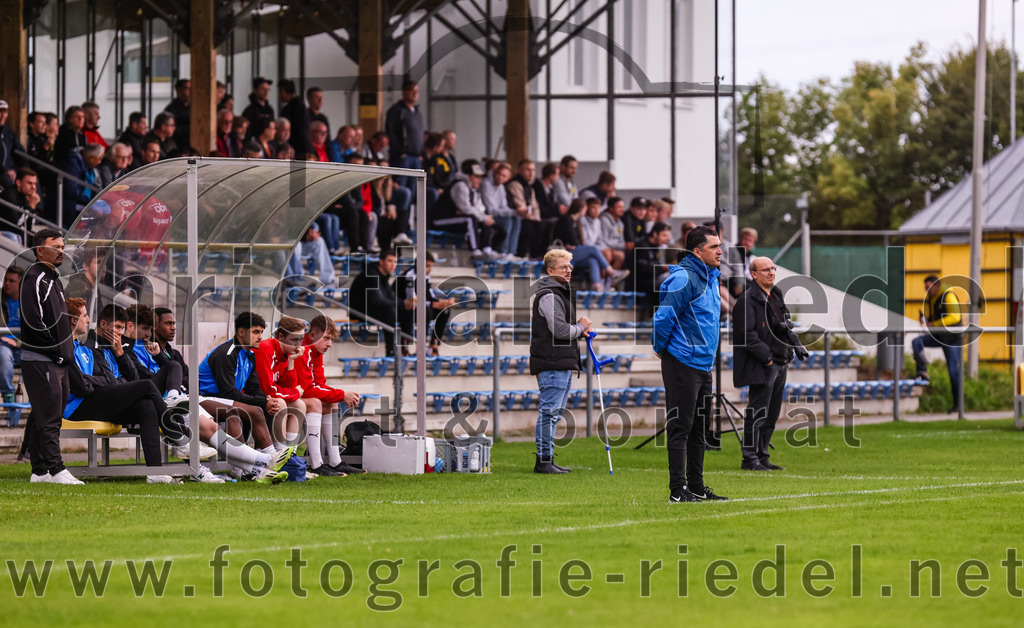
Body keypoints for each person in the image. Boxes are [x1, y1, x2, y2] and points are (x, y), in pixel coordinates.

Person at [653, 225, 728, 503]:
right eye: (713, 247)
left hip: (703, 364)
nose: (720, 251)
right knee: (681, 427)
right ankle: (677, 490)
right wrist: (661, 349)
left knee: (700, 429)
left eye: (720, 245)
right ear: (697, 251)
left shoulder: (711, 278)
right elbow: (663, 318)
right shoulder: (684, 278)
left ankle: (696, 487)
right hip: (682, 362)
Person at [733, 257, 809, 471]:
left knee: (772, 413)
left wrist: (796, 345)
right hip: (763, 364)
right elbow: (746, 335)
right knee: (756, 412)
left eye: (773, 269)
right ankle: (749, 458)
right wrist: (766, 357)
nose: (771, 272)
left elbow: (784, 325)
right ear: (754, 274)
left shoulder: (776, 294)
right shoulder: (746, 300)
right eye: (766, 270)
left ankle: (762, 456)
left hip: (781, 361)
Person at [20, 230, 81, 484]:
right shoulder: (34, 277)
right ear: (39, 250)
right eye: (55, 246)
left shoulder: (53, 278)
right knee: (49, 418)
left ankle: (40, 471)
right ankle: (57, 470)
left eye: (63, 246)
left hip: (57, 360)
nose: (61, 251)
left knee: (43, 415)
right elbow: (34, 322)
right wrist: (55, 352)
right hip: (42, 359)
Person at [197, 311, 290, 467]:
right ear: (241, 332)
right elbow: (228, 392)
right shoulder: (226, 354)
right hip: (204, 399)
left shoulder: (249, 354)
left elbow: (253, 388)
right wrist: (261, 402)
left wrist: (267, 400)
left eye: (261, 332)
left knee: (265, 407)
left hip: (222, 398)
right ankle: (264, 460)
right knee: (255, 410)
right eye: (255, 332)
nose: (260, 336)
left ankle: (266, 459)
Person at [530, 249, 591, 474]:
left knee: (554, 414)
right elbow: (560, 330)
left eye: (570, 267)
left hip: (560, 362)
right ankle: (543, 461)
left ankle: (547, 458)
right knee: (549, 413)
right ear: (550, 270)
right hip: (553, 362)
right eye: (563, 267)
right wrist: (581, 326)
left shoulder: (558, 293)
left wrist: (579, 329)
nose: (569, 271)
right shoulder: (549, 295)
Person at [297, 315, 363, 476]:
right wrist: (342, 395)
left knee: (330, 402)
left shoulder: (316, 351)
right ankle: (316, 463)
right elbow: (307, 389)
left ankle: (335, 461)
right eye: (326, 338)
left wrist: (339, 396)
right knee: (316, 402)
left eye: (331, 339)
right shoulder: (301, 349)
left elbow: (319, 384)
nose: (330, 344)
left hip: (295, 394)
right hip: (279, 394)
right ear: (312, 335)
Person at [430, 159, 503, 259]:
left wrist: (485, 217)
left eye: (480, 177)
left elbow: (479, 208)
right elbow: (466, 209)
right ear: (467, 175)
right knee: (471, 218)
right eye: (476, 177)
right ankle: (475, 251)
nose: (479, 180)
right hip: (441, 220)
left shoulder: (474, 189)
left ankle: (487, 249)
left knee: (487, 222)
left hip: (457, 219)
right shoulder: (460, 185)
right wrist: (482, 216)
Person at [254, 316, 308, 448]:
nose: (298, 345)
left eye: (301, 340)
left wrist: (291, 361)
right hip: (253, 395)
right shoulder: (266, 348)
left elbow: (287, 386)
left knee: (300, 405)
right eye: (294, 339)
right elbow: (267, 389)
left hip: (267, 395)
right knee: (281, 403)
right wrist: (295, 392)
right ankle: (280, 452)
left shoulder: (286, 353)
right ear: (281, 336)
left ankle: (291, 453)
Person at [912, 275, 963, 412]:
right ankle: (922, 372)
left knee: (953, 372)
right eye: (925, 288)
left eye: (928, 287)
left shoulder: (948, 295)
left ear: (937, 285)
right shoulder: (931, 299)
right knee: (916, 342)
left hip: (951, 339)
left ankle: (958, 405)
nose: (926, 290)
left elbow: (955, 317)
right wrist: (924, 320)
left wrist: (934, 324)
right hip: (939, 336)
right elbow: (930, 319)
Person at [349, 249, 413, 356]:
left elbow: (391, 297)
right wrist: (402, 304)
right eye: (390, 261)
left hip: (373, 309)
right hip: (360, 311)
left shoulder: (383, 276)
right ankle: (391, 351)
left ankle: (403, 347)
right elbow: (377, 300)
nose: (393, 265)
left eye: (395, 261)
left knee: (408, 312)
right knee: (390, 311)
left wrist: (406, 304)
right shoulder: (371, 275)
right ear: (381, 261)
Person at [397, 251, 455, 356]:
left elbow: (430, 296)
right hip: (403, 310)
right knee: (426, 311)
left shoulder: (426, 276)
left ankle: (434, 345)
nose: (429, 269)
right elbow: (411, 300)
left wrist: (442, 303)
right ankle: (414, 346)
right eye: (427, 266)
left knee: (445, 311)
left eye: (431, 266)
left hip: (421, 308)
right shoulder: (409, 277)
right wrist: (433, 304)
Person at [385, 79, 425, 193]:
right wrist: (399, 152)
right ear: (404, 92)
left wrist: (421, 153)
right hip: (403, 157)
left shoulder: (416, 112)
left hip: (416, 157)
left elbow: (420, 133)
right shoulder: (396, 111)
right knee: (401, 189)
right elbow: (391, 132)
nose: (415, 93)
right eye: (412, 90)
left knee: (413, 190)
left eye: (417, 91)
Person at [0, 266, 23, 417]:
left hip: (24, 343)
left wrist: (19, 342)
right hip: (3, 341)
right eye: (6, 280)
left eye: (12, 281)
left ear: (20, 283)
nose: (7, 283)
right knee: (3, 355)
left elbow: (36, 327)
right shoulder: (1, 299)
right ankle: (8, 395)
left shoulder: (28, 300)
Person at [0, 168, 41, 244]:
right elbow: (17, 223)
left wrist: (32, 208)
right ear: (18, 183)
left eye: (35, 183)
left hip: (14, 231)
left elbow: (28, 227)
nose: (34, 187)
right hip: (5, 232)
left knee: (41, 238)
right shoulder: (10, 195)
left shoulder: (24, 196)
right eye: (29, 183)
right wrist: (30, 207)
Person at [278, 79, 310, 159]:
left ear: (284, 91)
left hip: (295, 150)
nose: (279, 96)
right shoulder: (303, 107)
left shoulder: (289, 109)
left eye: (280, 92)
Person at [164, 79, 191, 149]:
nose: (190, 91)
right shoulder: (172, 109)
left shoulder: (192, 107)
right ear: (179, 90)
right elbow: (172, 130)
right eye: (187, 88)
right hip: (178, 146)